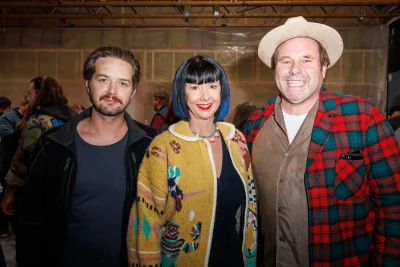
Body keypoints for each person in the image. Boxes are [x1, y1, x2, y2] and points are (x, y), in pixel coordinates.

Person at [243, 16, 400, 266]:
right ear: (275, 69)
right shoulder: (254, 126)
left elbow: (393, 207)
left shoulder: (364, 118)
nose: (295, 69)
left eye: (307, 59)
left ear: (324, 67)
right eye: (286, 61)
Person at [17, 46, 157, 266]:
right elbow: (30, 220)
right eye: (103, 80)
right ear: (88, 84)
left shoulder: (151, 145)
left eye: (123, 83)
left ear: (133, 90)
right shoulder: (54, 144)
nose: (112, 91)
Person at [127, 55, 258, 266]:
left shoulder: (236, 140)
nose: (205, 96)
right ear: (182, 92)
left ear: (221, 90)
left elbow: (250, 209)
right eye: (195, 87)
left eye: (212, 86)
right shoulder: (164, 147)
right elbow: (147, 221)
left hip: (233, 257)